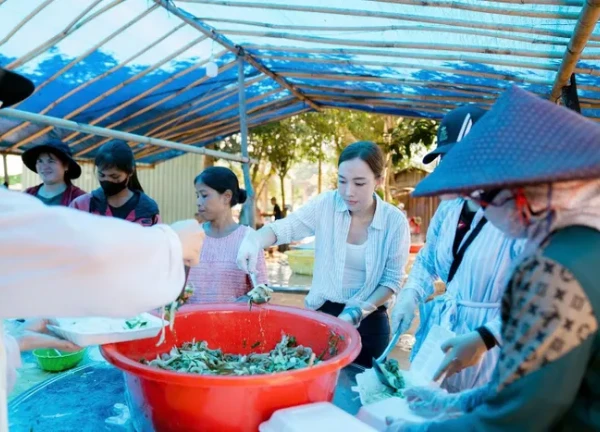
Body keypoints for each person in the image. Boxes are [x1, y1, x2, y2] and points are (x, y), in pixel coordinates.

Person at [0, 66, 206, 432]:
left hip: (127, 311)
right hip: (89, 313)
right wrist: (170, 246)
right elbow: (85, 256)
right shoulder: (63, 208)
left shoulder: (144, 207)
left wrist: (11, 344)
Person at [386, 86, 600, 431]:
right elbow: (524, 381)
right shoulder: (580, 243)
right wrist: (455, 402)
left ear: (528, 191)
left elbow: (517, 416)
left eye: (485, 196)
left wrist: (420, 430)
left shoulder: (554, 270)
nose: (478, 205)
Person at [237, 141, 410, 367]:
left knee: (363, 390)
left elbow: (392, 279)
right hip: (323, 313)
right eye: (342, 181)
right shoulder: (326, 205)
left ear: (379, 180)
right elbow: (286, 228)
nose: (348, 192)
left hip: (370, 318)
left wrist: (357, 312)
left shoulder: (394, 221)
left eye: (359, 183)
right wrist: (255, 240)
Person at [390, 105, 525, 392]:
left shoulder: (517, 216)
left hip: (490, 351)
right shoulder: (449, 207)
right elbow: (427, 260)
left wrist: (486, 337)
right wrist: (409, 295)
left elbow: (536, 298)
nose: (447, 169)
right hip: (440, 336)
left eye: (456, 158)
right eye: (442, 159)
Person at [187, 167, 268, 304]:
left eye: (204, 195)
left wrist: (248, 300)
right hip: (193, 322)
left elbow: (263, 291)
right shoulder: (192, 236)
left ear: (226, 197)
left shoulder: (248, 239)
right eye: (197, 196)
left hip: (232, 323)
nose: (198, 202)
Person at [70, 141, 160, 226]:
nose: (107, 180)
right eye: (102, 175)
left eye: (114, 176)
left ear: (131, 171)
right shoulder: (81, 205)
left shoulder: (148, 209)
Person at [21, 140, 86, 206]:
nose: (44, 167)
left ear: (66, 165)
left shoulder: (79, 199)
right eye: (40, 161)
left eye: (51, 161)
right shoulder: (27, 195)